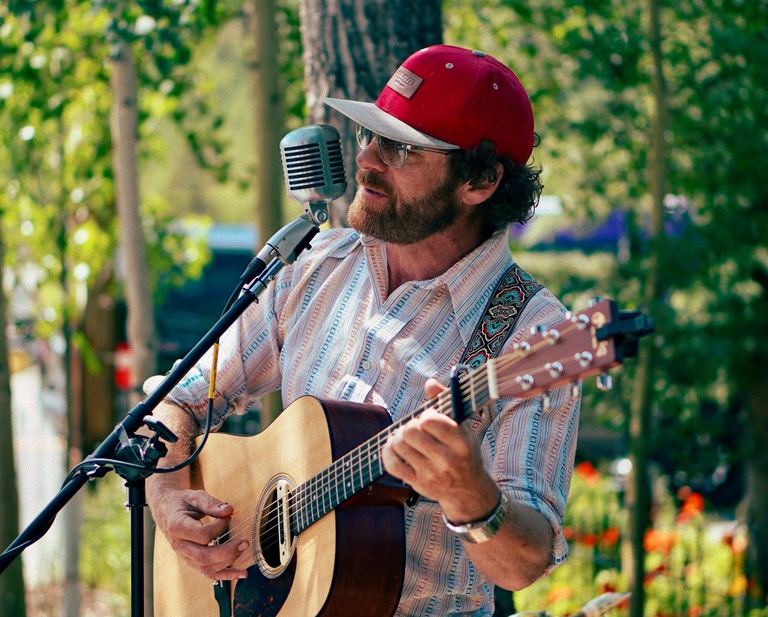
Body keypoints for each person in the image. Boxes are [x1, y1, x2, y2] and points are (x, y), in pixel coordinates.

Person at [144, 45, 581, 616]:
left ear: (479, 180)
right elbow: (176, 400)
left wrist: (472, 497)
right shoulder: (315, 266)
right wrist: (168, 497)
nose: (366, 159)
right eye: (369, 134)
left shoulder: (534, 335)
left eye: (399, 147)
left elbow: (526, 563)